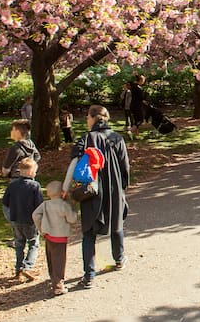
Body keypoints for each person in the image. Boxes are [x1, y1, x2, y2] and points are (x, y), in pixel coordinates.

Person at [63, 105, 130, 289]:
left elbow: (74, 163)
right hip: (114, 188)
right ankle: (119, 258)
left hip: (91, 190)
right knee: (117, 225)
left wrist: (66, 187)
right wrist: (123, 187)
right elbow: (125, 167)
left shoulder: (86, 139)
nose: (86, 120)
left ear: (93, 118)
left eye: (87, 117)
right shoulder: (117, 138)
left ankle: (89, 275)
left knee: (89, 232)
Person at [32, 180, 78, 296]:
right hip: (60, 237)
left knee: (51, 258)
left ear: (48, 194)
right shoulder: (64, 205)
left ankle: (53, 277)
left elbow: (35, 215)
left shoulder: (45, 205)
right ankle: (58, 285)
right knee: (59, 261)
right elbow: (72, 219)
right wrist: (74, 209)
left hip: (48, 235)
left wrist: (41, 228)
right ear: (62, 192)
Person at [3, 157, 43, 281]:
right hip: (30, 220)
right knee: (33, 243)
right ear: (31, 172)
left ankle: (18, 269)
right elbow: (39, 204)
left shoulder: (12, 185)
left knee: (19, 244)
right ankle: (27, 266)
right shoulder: (35, 186)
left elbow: (5, 201)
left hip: (15, 219)